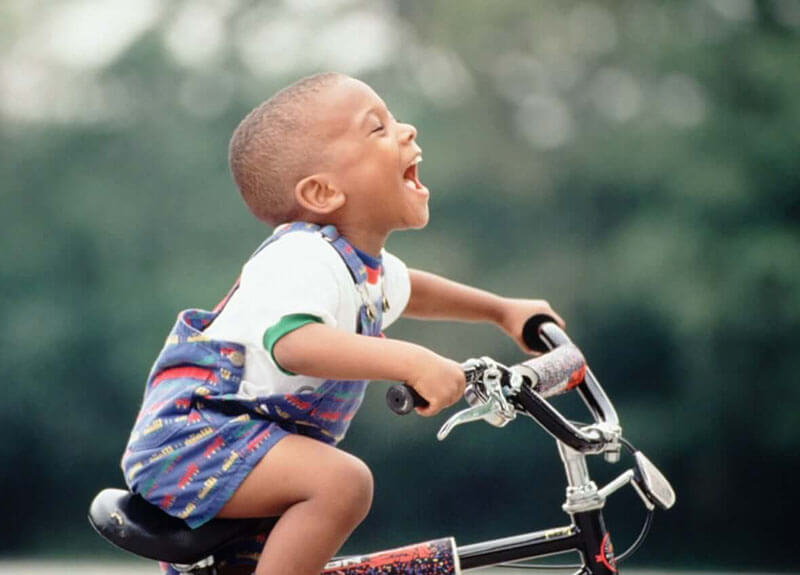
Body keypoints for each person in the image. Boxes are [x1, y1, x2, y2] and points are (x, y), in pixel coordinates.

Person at [121, 72, 564, 575]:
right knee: (342, 484)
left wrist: (502, 310)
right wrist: (414, 361)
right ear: (323, 191)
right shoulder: (301, 256)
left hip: (248, 447)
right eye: (377, 129)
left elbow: (411, 288)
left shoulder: (357, 269)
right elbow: (294, 343)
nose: (407, 130)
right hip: (193, 440)